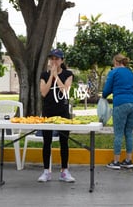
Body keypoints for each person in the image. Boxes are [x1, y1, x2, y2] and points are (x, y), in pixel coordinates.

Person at [38, 49, 75, 183]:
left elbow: (65, 90)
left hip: (63, 111)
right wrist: (51, 77)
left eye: (57, 59)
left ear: (62, 60)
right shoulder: (44, 74)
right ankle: (46, 171)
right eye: (52, 59)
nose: (54, 61)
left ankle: (64, 171)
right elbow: (43, 92)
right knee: (46, 141)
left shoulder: (68, 74)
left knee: (64, 142)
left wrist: (57, 77)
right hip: (48, 111)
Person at [102, 54, 133, 170]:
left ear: (115, 62)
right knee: (129, 133)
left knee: (119, 133)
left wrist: (103, 97)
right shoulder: (130, 72)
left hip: (120, 103)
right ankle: (128, 160)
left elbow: (106, 90)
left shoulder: (113, 72)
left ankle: (116, 161)